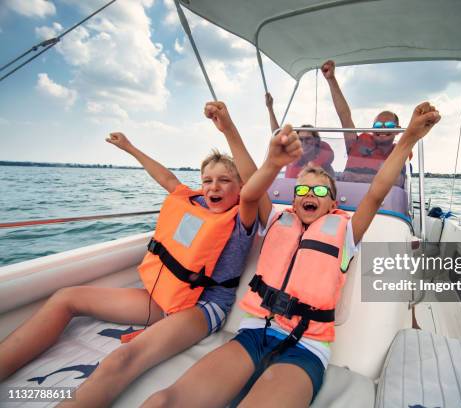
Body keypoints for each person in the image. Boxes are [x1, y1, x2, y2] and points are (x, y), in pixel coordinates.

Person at [141, 101, 440, 408]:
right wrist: (228, 128)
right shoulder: (274, 220)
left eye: (320, 191)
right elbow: (251, 180)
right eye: (302, 191)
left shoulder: (347, 232)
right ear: (293, 202)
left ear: (333, 205)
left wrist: (408, 139)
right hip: (253, 335)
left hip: (306, 349)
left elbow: (377, 190)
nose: (310, 195)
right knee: (169, 401)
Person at [0, 102, 262, 408]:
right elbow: (166, 179)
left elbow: (254, 184)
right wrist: (129, 147)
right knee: (66, 297)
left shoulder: (243, 215)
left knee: (120, 359)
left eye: (224, 180)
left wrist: (228, 129)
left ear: (240, 186)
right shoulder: (197, 205)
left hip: (204, 307)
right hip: (168, 296)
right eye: (207, 180)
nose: (214, 187)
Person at [321, 60, 413, 185]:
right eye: (378, 125)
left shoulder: (401, 152)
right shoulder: (355, 143)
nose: (383, 129)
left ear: (397, 130)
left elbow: (414, 134)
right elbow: (344, 116)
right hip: (345, 200)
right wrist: (331, 79)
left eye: (389, 125)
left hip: (385, 203)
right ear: (372, 129)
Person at [265, 92, 335, 178]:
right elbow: (277, 134)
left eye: (308, 139)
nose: (304, 142)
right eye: (300, 139)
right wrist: (270, 108)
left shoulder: (326, 166)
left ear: (316, 141)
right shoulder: (292, 154)